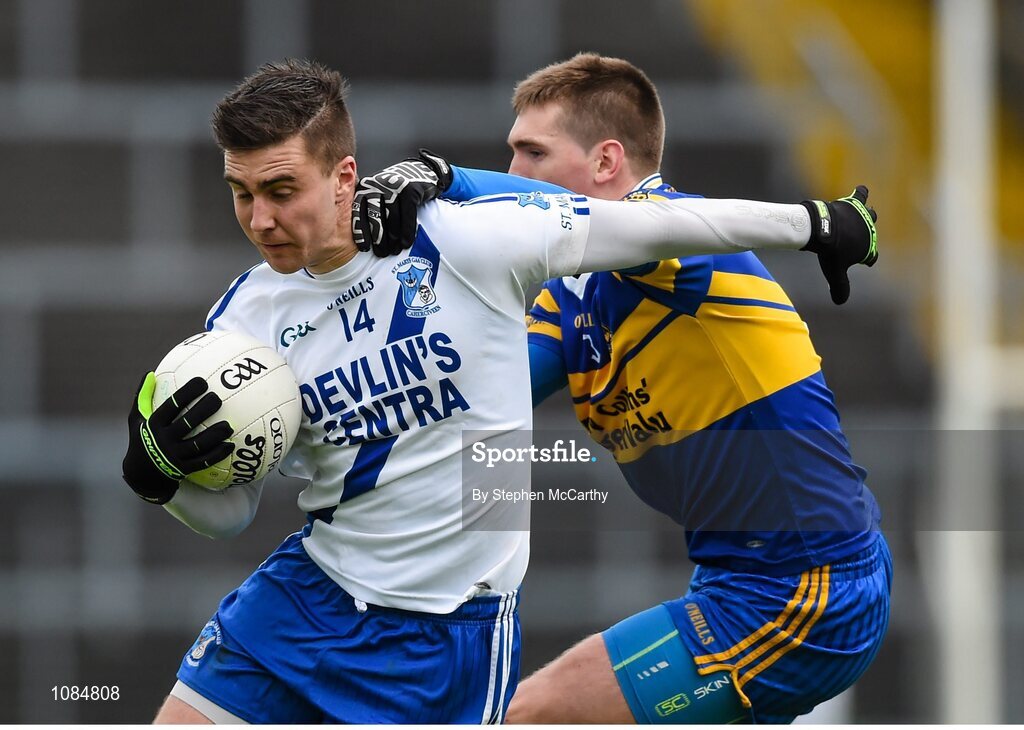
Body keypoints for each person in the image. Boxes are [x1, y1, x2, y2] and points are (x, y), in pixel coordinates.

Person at [120, 58, 879, 724]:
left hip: (803, 586)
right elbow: (483, 423)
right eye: (240, 193)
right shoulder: (251, 316)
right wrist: (162, 472)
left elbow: (667, 225)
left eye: (532, 152)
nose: (260, 218)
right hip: (313, 593)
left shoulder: (607, 245)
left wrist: (821, 223)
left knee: (537, 717)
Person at [352, 53, 891, 724]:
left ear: (607, 163)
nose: (516, 172)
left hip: (806, 588)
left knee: (521, 720)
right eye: (510, 154)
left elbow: (595, 223)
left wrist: (449, 180)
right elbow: (475, 400)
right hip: (738, 583)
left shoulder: (673, 239)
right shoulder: (569, 295)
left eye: (532, 152)